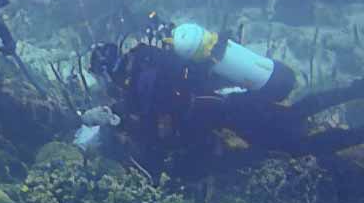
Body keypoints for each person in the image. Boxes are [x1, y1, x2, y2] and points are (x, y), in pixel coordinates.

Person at [87, 24, 364, 179]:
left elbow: (154, 135)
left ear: (108, 72)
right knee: (295, 113)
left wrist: (120, 123)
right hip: (233, 97)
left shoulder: (141, 83)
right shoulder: (146, 56)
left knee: (296, 145)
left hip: (234, 112)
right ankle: (354, 90)